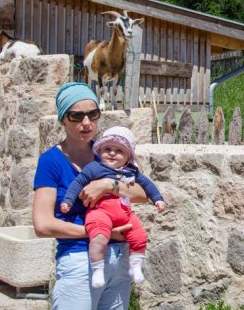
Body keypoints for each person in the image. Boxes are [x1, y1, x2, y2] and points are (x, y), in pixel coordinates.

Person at [32, 82, 148, 310]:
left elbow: (144, 193)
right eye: (76, 116)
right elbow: (42, 224)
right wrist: (99, 232)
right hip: (78, 260)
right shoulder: (51, 162)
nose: (86, 123)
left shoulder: (108, 153)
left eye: (92, 114)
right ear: (63, 119)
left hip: (118, 259)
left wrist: (108, 184)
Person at [60, 126, 165, 288]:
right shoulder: (95, 168)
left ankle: (135, 266)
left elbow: (147, 185)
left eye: (119, 151)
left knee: (139, 236)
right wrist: (68, 200)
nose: (112, 153)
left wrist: (157, 199)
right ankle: (97, 269)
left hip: (125, 213)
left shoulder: (131, 172)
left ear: (128, 156)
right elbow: (78, 183)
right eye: (107, 149)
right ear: (100, 150)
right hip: (100, 212)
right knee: (99, 238)